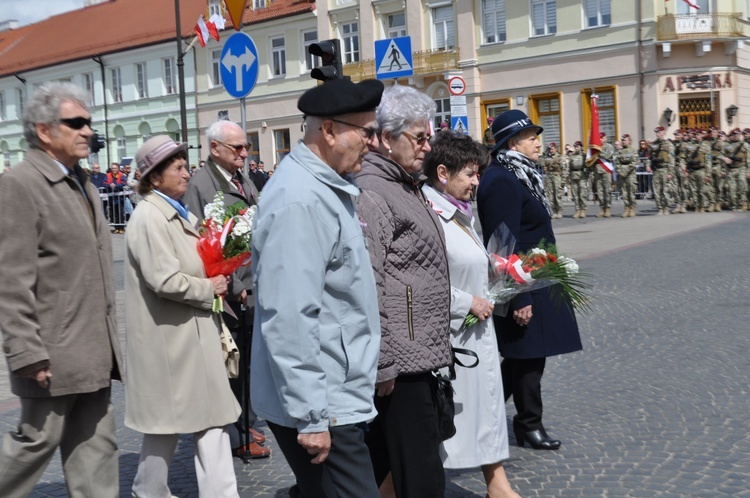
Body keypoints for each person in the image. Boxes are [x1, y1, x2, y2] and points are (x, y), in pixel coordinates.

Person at [251, 78, 384, 498]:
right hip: (323, 401)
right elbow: (289, 316)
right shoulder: (301, 200)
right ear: (329, 130)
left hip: (333, 390)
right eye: (366, 132)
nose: (374, 143)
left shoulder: (324, 187)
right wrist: (312, 415)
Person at [0, 82, 123, 497]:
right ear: (45, 130)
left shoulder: (84, 183)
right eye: (76, 122)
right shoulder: (20, 185)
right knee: (35, 443)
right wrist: (25, 351)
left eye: (88, 121)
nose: (88, 130)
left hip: (93, 351)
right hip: (50, 353)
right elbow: (10, 280)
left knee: (97, 452)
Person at [125, 135, 241, 498]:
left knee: (210, 423)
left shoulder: (174, 210)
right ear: (154, 177)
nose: (186, 172)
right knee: (168, 427)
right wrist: (210, 288)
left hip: (190, 339)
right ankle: (148, 492)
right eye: (177, 167)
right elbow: (164, 279)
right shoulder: (149, 217)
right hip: (172, 344)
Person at [355, 84, 453, 498]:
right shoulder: (374, 191)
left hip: (421, 354)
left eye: (428, 136)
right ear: (386, 138)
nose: (428, 146)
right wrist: (384, 365)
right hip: (401, 364)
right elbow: (370, 283)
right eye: (419, 137)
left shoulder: (404, 183)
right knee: (420, 477)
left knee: (407, 470)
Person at [421, 131, 520, 498]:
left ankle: (498, 484)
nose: (477, 182)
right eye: (470, 174)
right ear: (443, 172)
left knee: (484, 412)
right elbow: (416, 281)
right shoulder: (428, 213)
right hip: (450, 337)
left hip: (475, 335)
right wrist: (465, 303)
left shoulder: (459, 210)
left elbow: (464, 261)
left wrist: (496, 267)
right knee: (449, 420)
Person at [477, 109, 582, 451]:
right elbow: (501, 239)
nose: (540, 142)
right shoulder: (501, 179)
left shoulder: (520, 174)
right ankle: (527, 424)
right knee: (527, 355)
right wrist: (517, 295)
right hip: (522, 280)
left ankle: (490, 413)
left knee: (529, 355)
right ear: (512, 142)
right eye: (532, 137)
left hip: (538, 274)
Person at [184, 120, 267, 459]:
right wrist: (232, 283)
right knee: (230, 362)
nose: (245, 154)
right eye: (238, 148)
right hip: (227, 292)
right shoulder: (202, 185)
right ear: (214, 148)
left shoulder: (241, 179)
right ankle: (233, 431)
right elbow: (202, 239)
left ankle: (246, 420)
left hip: (250, 283)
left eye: (246, 147)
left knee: (248, 359)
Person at [647, 126, 675, 216]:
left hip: (665, 169)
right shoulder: (653, 145)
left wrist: (670, 172)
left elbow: (671, 159)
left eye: (659, 132)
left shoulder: (669, 144)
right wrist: (648, 165)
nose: (657, 134)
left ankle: (666, 208)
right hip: (656, 170)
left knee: (665, 190)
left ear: (663, 132)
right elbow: (649, 157)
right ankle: (660, 208)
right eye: (656, 133)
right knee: (657, 191)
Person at [615, 134, 638, 217]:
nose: (623, 141)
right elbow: (617, 163)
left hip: (630, 174)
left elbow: (634, 162)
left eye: (625, 140)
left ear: (629, 141)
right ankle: (626, 208)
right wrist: (620, 171)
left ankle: (632, 208)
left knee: (631, 191)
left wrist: (626, 171)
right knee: (624, 192)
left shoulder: (633, 150)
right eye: (622, 140)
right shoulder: (619, 151)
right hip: (622, 174)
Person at [541, 142, 565, 218]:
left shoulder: (560, 157)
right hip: (549, 177)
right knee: (550, 195)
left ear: (556, 149)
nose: (551, 150)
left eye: (552, 149)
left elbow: (564, 169)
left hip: (557, 177)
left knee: (558, 195)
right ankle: (554, 211)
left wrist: (563, 180)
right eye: (549, 149)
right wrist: (544, 153)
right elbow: (540, 163)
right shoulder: (546, 157)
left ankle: (559, 211)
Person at [594, 132, 615, 218]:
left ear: (605, 138)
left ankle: (608, 209)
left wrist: (598, 152)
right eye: (599, 138)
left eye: (602, 138)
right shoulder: (595, 147)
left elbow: (607, 156)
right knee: (600, 191)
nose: (600, 139)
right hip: (598, 171)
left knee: (607, 191)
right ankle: (602, 208)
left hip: (606, 171)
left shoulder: (608, 147)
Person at [569, 141, 589, 219]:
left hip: (582, 176)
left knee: (582, 194)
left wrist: (586, 175)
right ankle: (577, 210)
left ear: (581, 147)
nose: (576, 148)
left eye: (577, 147)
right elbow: (569, 167)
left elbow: (588, 166)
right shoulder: (572, 156)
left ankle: (583, 210)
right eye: (575, 147)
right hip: (574, 176)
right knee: (575, 195)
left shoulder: (585, 156)